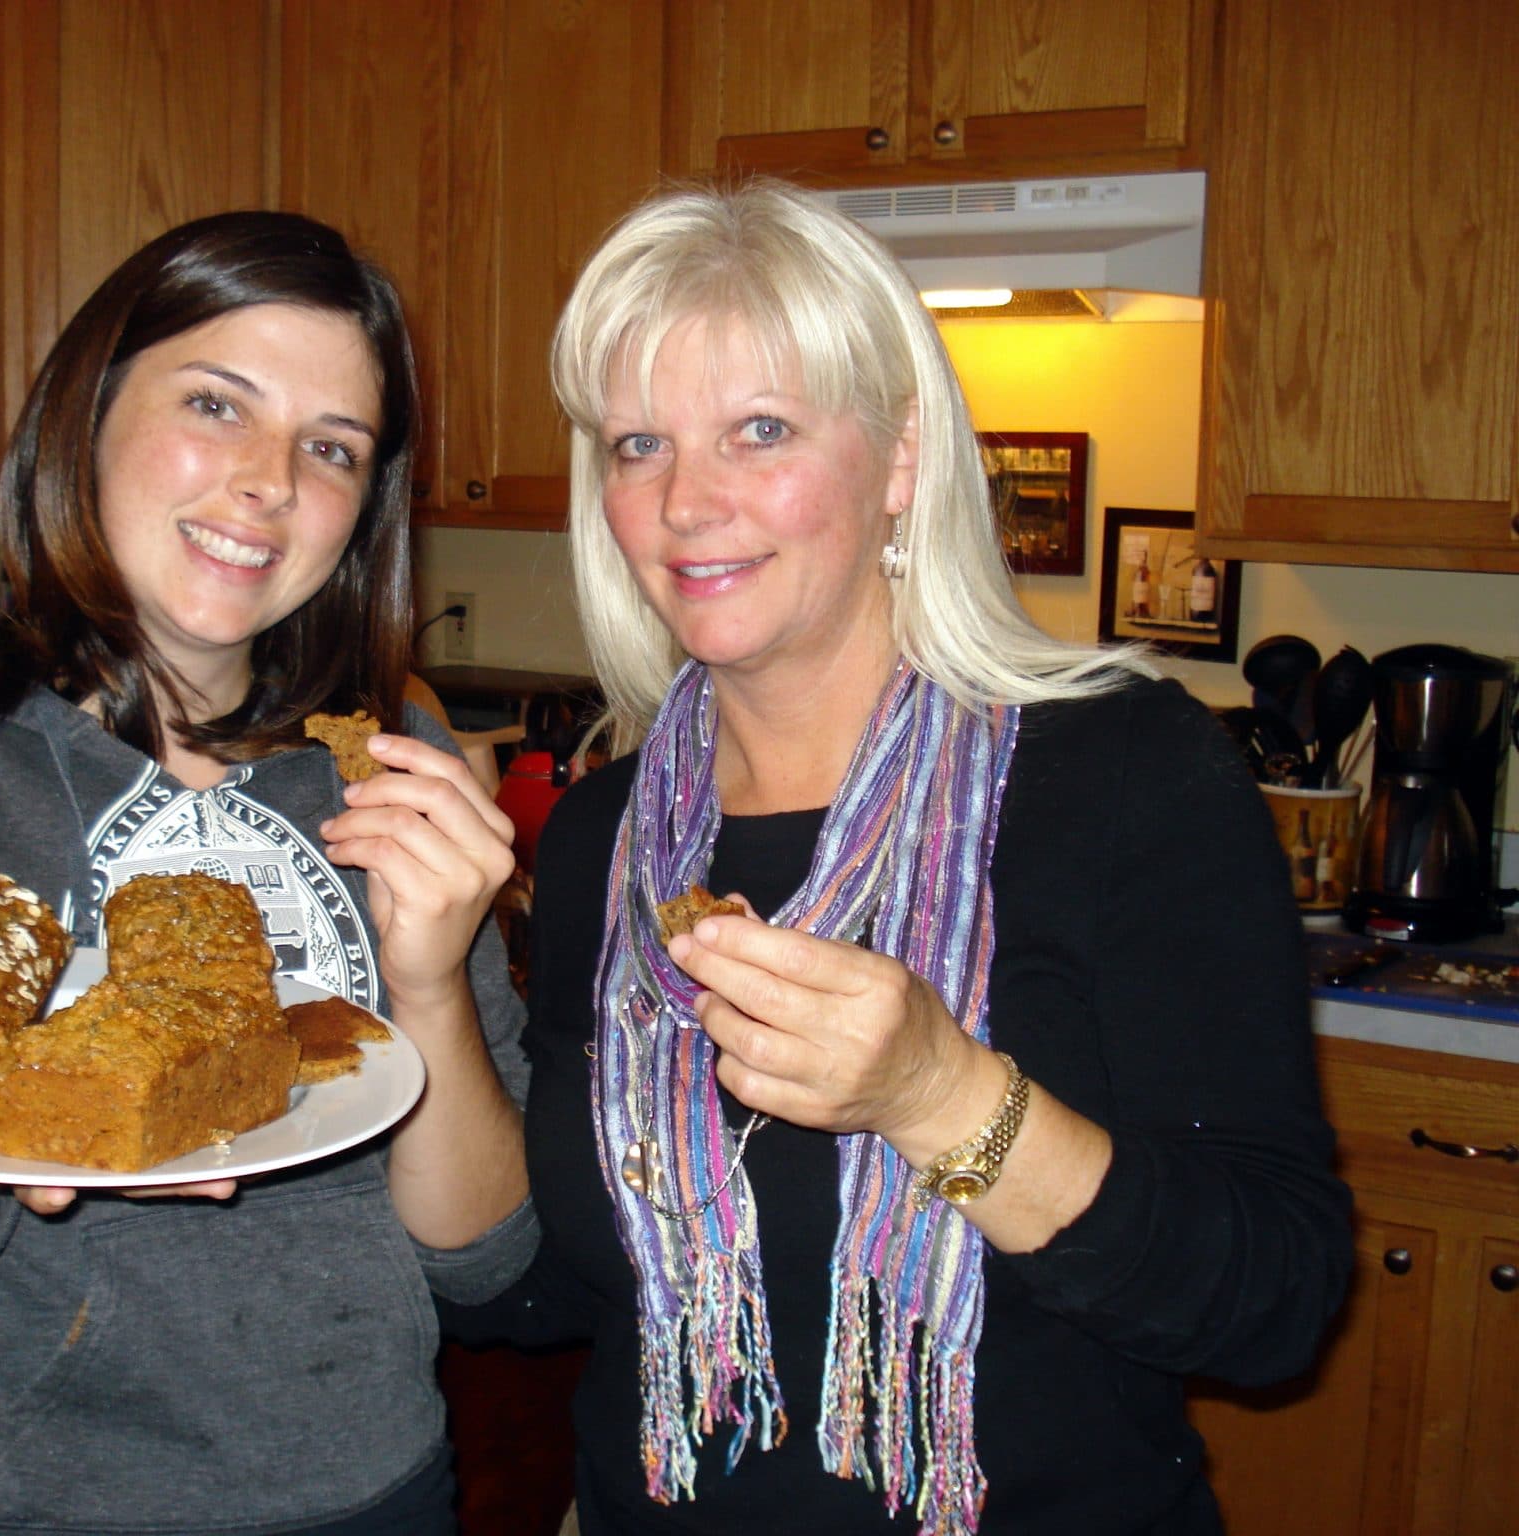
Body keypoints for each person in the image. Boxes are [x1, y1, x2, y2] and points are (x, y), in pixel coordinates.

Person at [442, 181, 1352, 1535]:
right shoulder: (606, 838)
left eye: (761, 430)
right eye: (639, 444)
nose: (688, 501)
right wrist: (420, 986)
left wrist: (939, 1095)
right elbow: (544, 1297)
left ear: (904, 459)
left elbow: (1274, 1302)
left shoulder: (1122, 775)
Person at [0, 211, 533, 1536]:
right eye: (217, 403)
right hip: (8, 1507)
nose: (270, 480)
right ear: (83, 415)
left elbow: (489, 1259)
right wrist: (2, 1135)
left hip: (368, 1490)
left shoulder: (392, 769)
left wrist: (431, 981)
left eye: (333, 448)